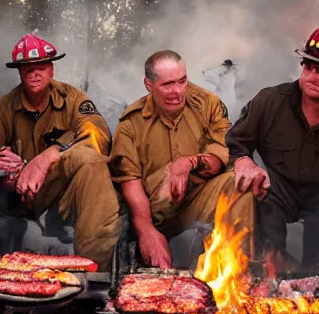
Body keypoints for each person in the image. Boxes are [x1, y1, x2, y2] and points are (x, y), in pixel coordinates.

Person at [0, 34, 121, 270]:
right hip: (23, 201)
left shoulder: (73, 100)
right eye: (28, 69)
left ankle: (93, 273)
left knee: (89, 161)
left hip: (68, 193)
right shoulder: (3, 109)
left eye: (41, 67)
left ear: (51, 70)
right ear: (19, 73)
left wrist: (49, 156)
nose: (35, 74)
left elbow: (98, 133)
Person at [109, 50, 254, 269]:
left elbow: (223, 155)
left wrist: (189, 163)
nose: (177, 92)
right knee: (168, 176)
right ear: (149, 84)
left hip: (199, 197)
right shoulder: (131, 123)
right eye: (167, 84)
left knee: (240, 183)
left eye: (182, 81)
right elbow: (129, 181)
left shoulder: (207, 104)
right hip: (158, 208)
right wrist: (146, 231)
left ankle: (237, 271)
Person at [226, 21, 319, 276]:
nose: (314, 76)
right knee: (259, 189)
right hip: (279, 192)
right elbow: (235, 143)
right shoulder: (269, 102)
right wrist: (244, 163)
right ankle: (271, 273)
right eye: (310, 66)